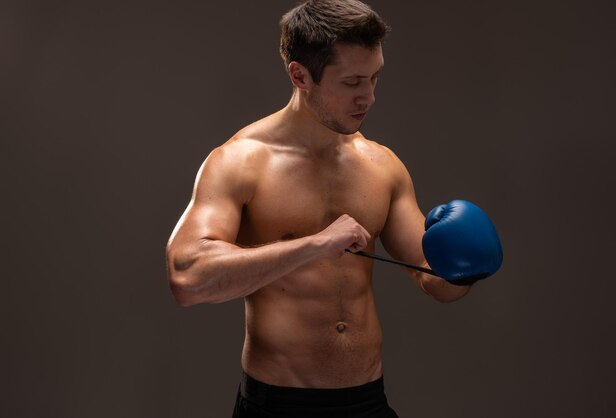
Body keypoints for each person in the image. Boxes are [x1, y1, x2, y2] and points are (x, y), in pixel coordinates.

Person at [165, 1, 502, 417]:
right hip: (278, 405)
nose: (370, 97)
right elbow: (187, 277)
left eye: (375, 77)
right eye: (353, 82)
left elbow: (432, 280)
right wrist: (314, 245)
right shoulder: (241, 162)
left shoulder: (382, 166)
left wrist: (465, 268)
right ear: (299, 75)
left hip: (366, 402)